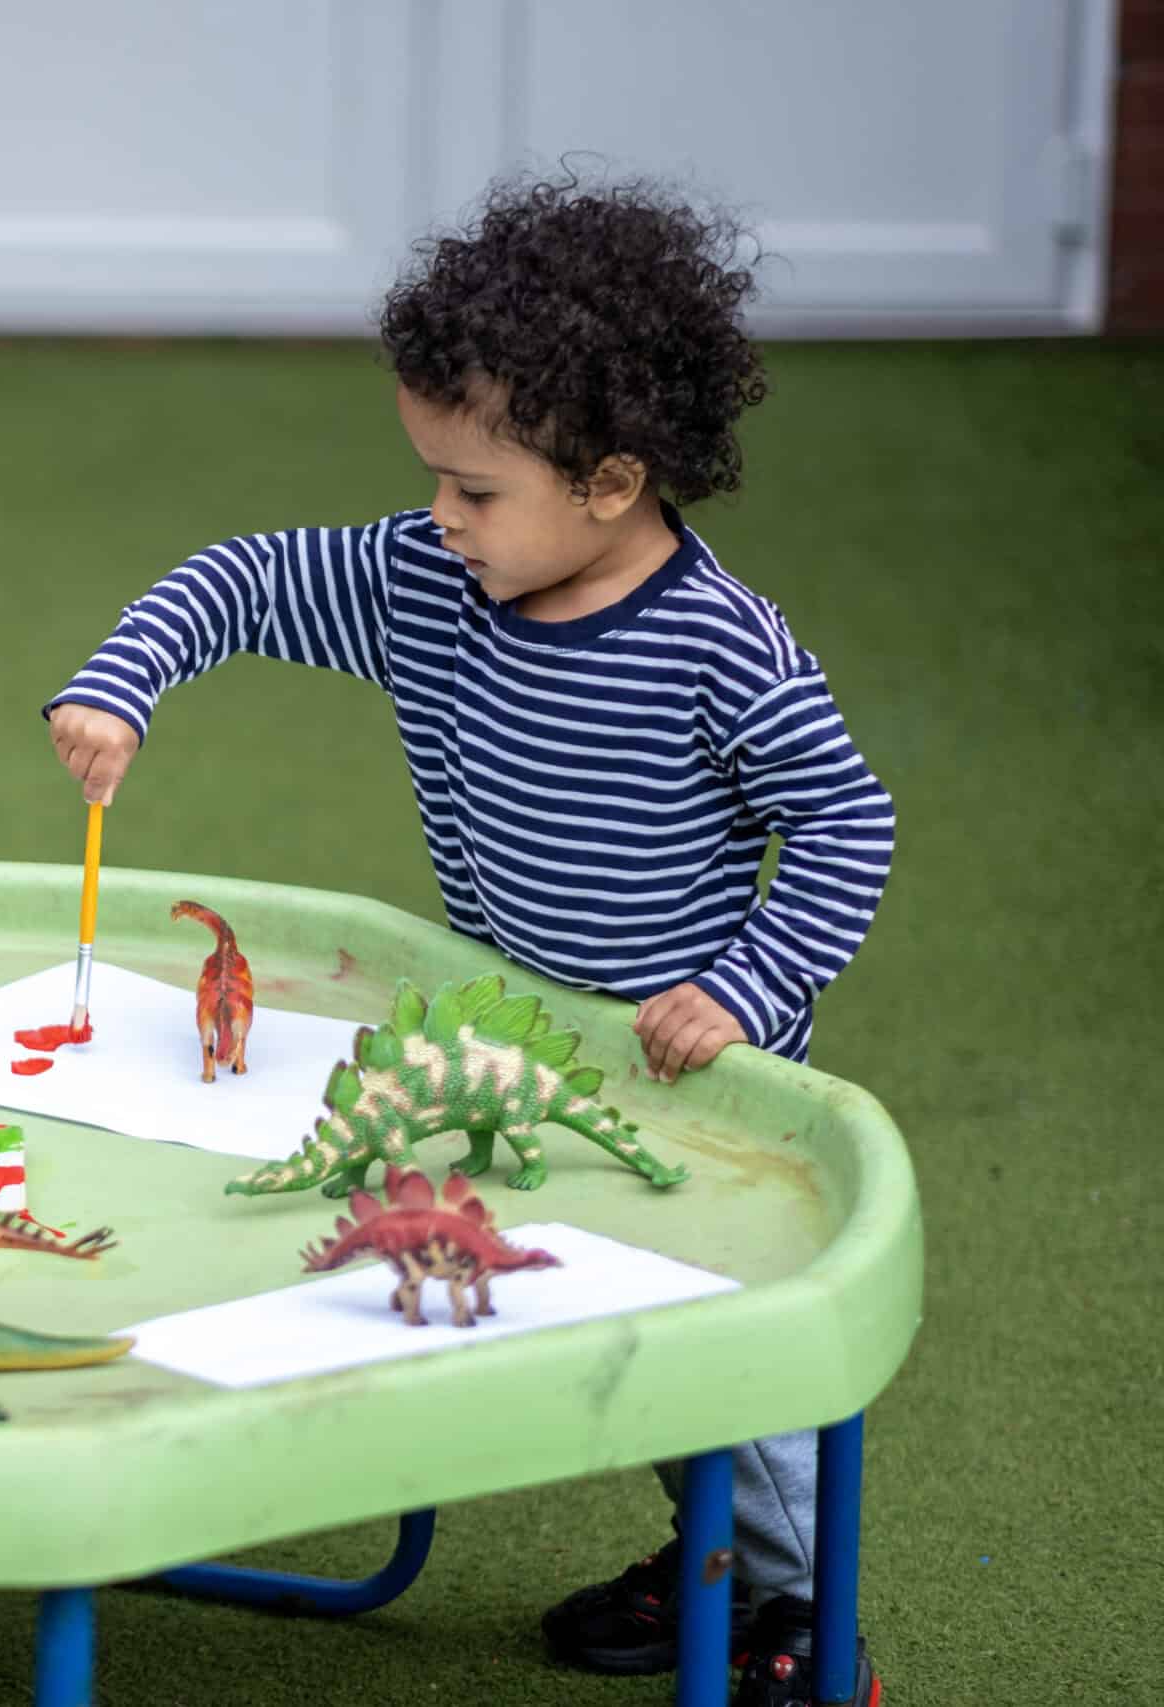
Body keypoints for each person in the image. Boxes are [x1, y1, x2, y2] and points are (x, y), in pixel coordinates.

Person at [44, 177, 892, 1707]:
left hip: (698, 1079)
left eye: (476, 488)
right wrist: (123, 682)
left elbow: (847, 829)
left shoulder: (721, 646)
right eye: (431, 477)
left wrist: (743, 992)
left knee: (735, 1363)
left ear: (616, 479)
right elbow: (240, 579)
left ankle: (795, 1610)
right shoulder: (433, 585)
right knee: (599, 1296)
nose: (440, 516)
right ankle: (706, 1554)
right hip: (518, 1051)